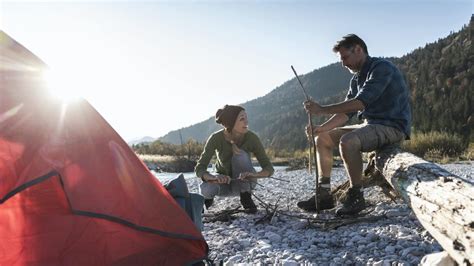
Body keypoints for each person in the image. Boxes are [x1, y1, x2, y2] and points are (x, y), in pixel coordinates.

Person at [297, 34, 411, 216]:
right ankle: (324, 194)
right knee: (322, 138)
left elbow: (360, 103)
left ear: (358, 49)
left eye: (345, 57)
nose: (343, 63)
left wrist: (321, 109)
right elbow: (345, 113)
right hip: (370, 125)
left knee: (348, 141)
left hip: (392, 126)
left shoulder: (381, 68)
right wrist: (322, 128)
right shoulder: (356, 80)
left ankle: (356, 195)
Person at [195, 105, 274, 214]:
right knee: (206, 188)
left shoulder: (252, 138)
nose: (246, 122)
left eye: (246, 118)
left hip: (245, 183)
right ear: (231, 122)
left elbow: (269, 168)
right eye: (242, 119)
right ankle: (206, 202)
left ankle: (246, 197)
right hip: (223, 185)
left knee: (240, 155)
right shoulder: (215, 138)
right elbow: (199, 168)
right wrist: (214, 177)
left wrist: (253, 175)